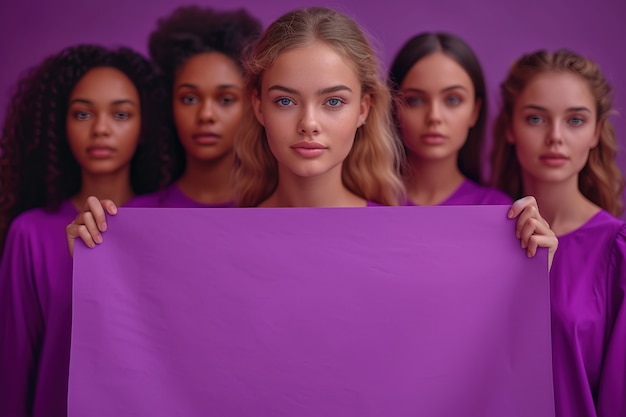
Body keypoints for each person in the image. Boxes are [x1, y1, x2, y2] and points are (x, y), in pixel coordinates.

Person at [67, 8, 556, 264]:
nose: (309, 123)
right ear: (257, 106)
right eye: (285, 101)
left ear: (365, 108)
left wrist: (528, 273)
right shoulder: (207, 239)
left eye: (333, 101)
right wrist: (96, 264)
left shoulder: (413, 236)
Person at [0, 44, 175, 417]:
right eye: (83, 113)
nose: (100, 129)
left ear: (145, 126)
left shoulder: (170, 221)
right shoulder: (29, 233)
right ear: (60, 125)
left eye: (121, 114)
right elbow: (13, 372)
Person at [490, 48, 626, 416]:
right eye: (536, 118)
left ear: (597, 132)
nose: (555, 137)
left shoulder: (618, 251)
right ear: (510, 129)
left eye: (575, 121)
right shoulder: (480, 238)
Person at [128, 5, 262, 208]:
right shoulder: (132, 216)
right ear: (169, 105)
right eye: (190, 99)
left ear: (251, 106)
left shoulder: (272, 212)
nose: (206, 115)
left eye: (226, 99)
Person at [388, 32, 512, 206]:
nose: (434, 116)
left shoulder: (497, 209)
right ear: (394, 108)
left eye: (452, 100)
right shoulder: (368, 203)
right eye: (415, 100)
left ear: (475, 111)